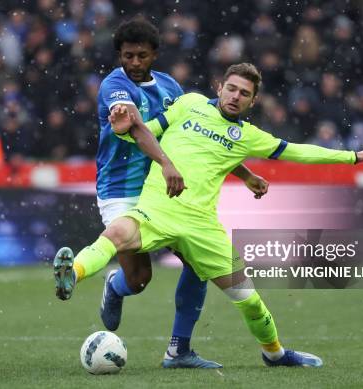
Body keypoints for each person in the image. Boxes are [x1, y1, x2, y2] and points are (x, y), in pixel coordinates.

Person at [54, 62, 363, 367]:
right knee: (114, 236)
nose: (235, 96)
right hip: (157, 210)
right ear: (219, 87)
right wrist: (126, 127)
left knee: (250, 301)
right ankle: (73, 274)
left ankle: (274, 353)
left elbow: (299, 152)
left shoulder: (248, 137)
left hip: (202, 227)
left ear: (252, 102)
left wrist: (353, 158)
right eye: (231, 88)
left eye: (244, 93)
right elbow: (148, 129)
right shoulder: (188, 104)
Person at [59, 18, 267, 369]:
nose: (134, 63)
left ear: (155, 54)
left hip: (162, 188)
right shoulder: (115, 86)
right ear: (119, 56)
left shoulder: (171, 87)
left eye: (141, 55)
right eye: (127, 56)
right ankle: (115, 284)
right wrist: (168, 163)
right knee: (140, 280)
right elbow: (138, 129)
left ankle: (179, 350)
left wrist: (243, 173)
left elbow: (198, 138)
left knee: (198, 265)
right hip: (121, 189)